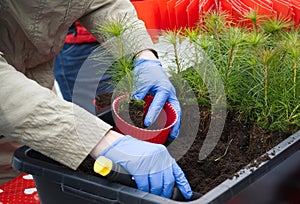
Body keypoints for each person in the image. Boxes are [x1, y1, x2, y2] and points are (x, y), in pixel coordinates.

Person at [0, 0, 191, 200]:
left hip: (34, 97)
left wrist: (144, 57)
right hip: (10, 101)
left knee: (37, 175)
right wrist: (100, 139)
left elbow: (102, 3)